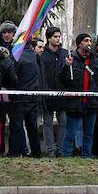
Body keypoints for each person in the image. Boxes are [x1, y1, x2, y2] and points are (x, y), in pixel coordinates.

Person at [60, 33, 98, 157]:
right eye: (86, 40)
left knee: (89, 133)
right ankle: (66, 155)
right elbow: (63, 80)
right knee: (71, 132)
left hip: (91, 103)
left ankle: (86, 155)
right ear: (79, 44)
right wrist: (66, 67)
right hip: (75, 103)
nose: (89, 43)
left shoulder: (94, 60)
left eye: (90, 41)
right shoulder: (70, 59)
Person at [7, 40, 42, 157]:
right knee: (32, 127)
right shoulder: (34, 56)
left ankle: (15, 152)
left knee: (16, 126)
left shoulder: (16, 56)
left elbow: (12, 76)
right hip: (33, 95)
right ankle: (36, 152)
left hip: (19, 96)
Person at [39, 26, 70, 157]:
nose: (57, 39)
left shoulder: (64, 53)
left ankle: (60, 148)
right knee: (47, 122)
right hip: (47, 91)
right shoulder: (42, 54)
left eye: (59, 36)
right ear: (49, 38)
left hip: (62, 92)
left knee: (63, 121)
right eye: (55, 37)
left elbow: (68, 74)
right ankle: (50, 149)